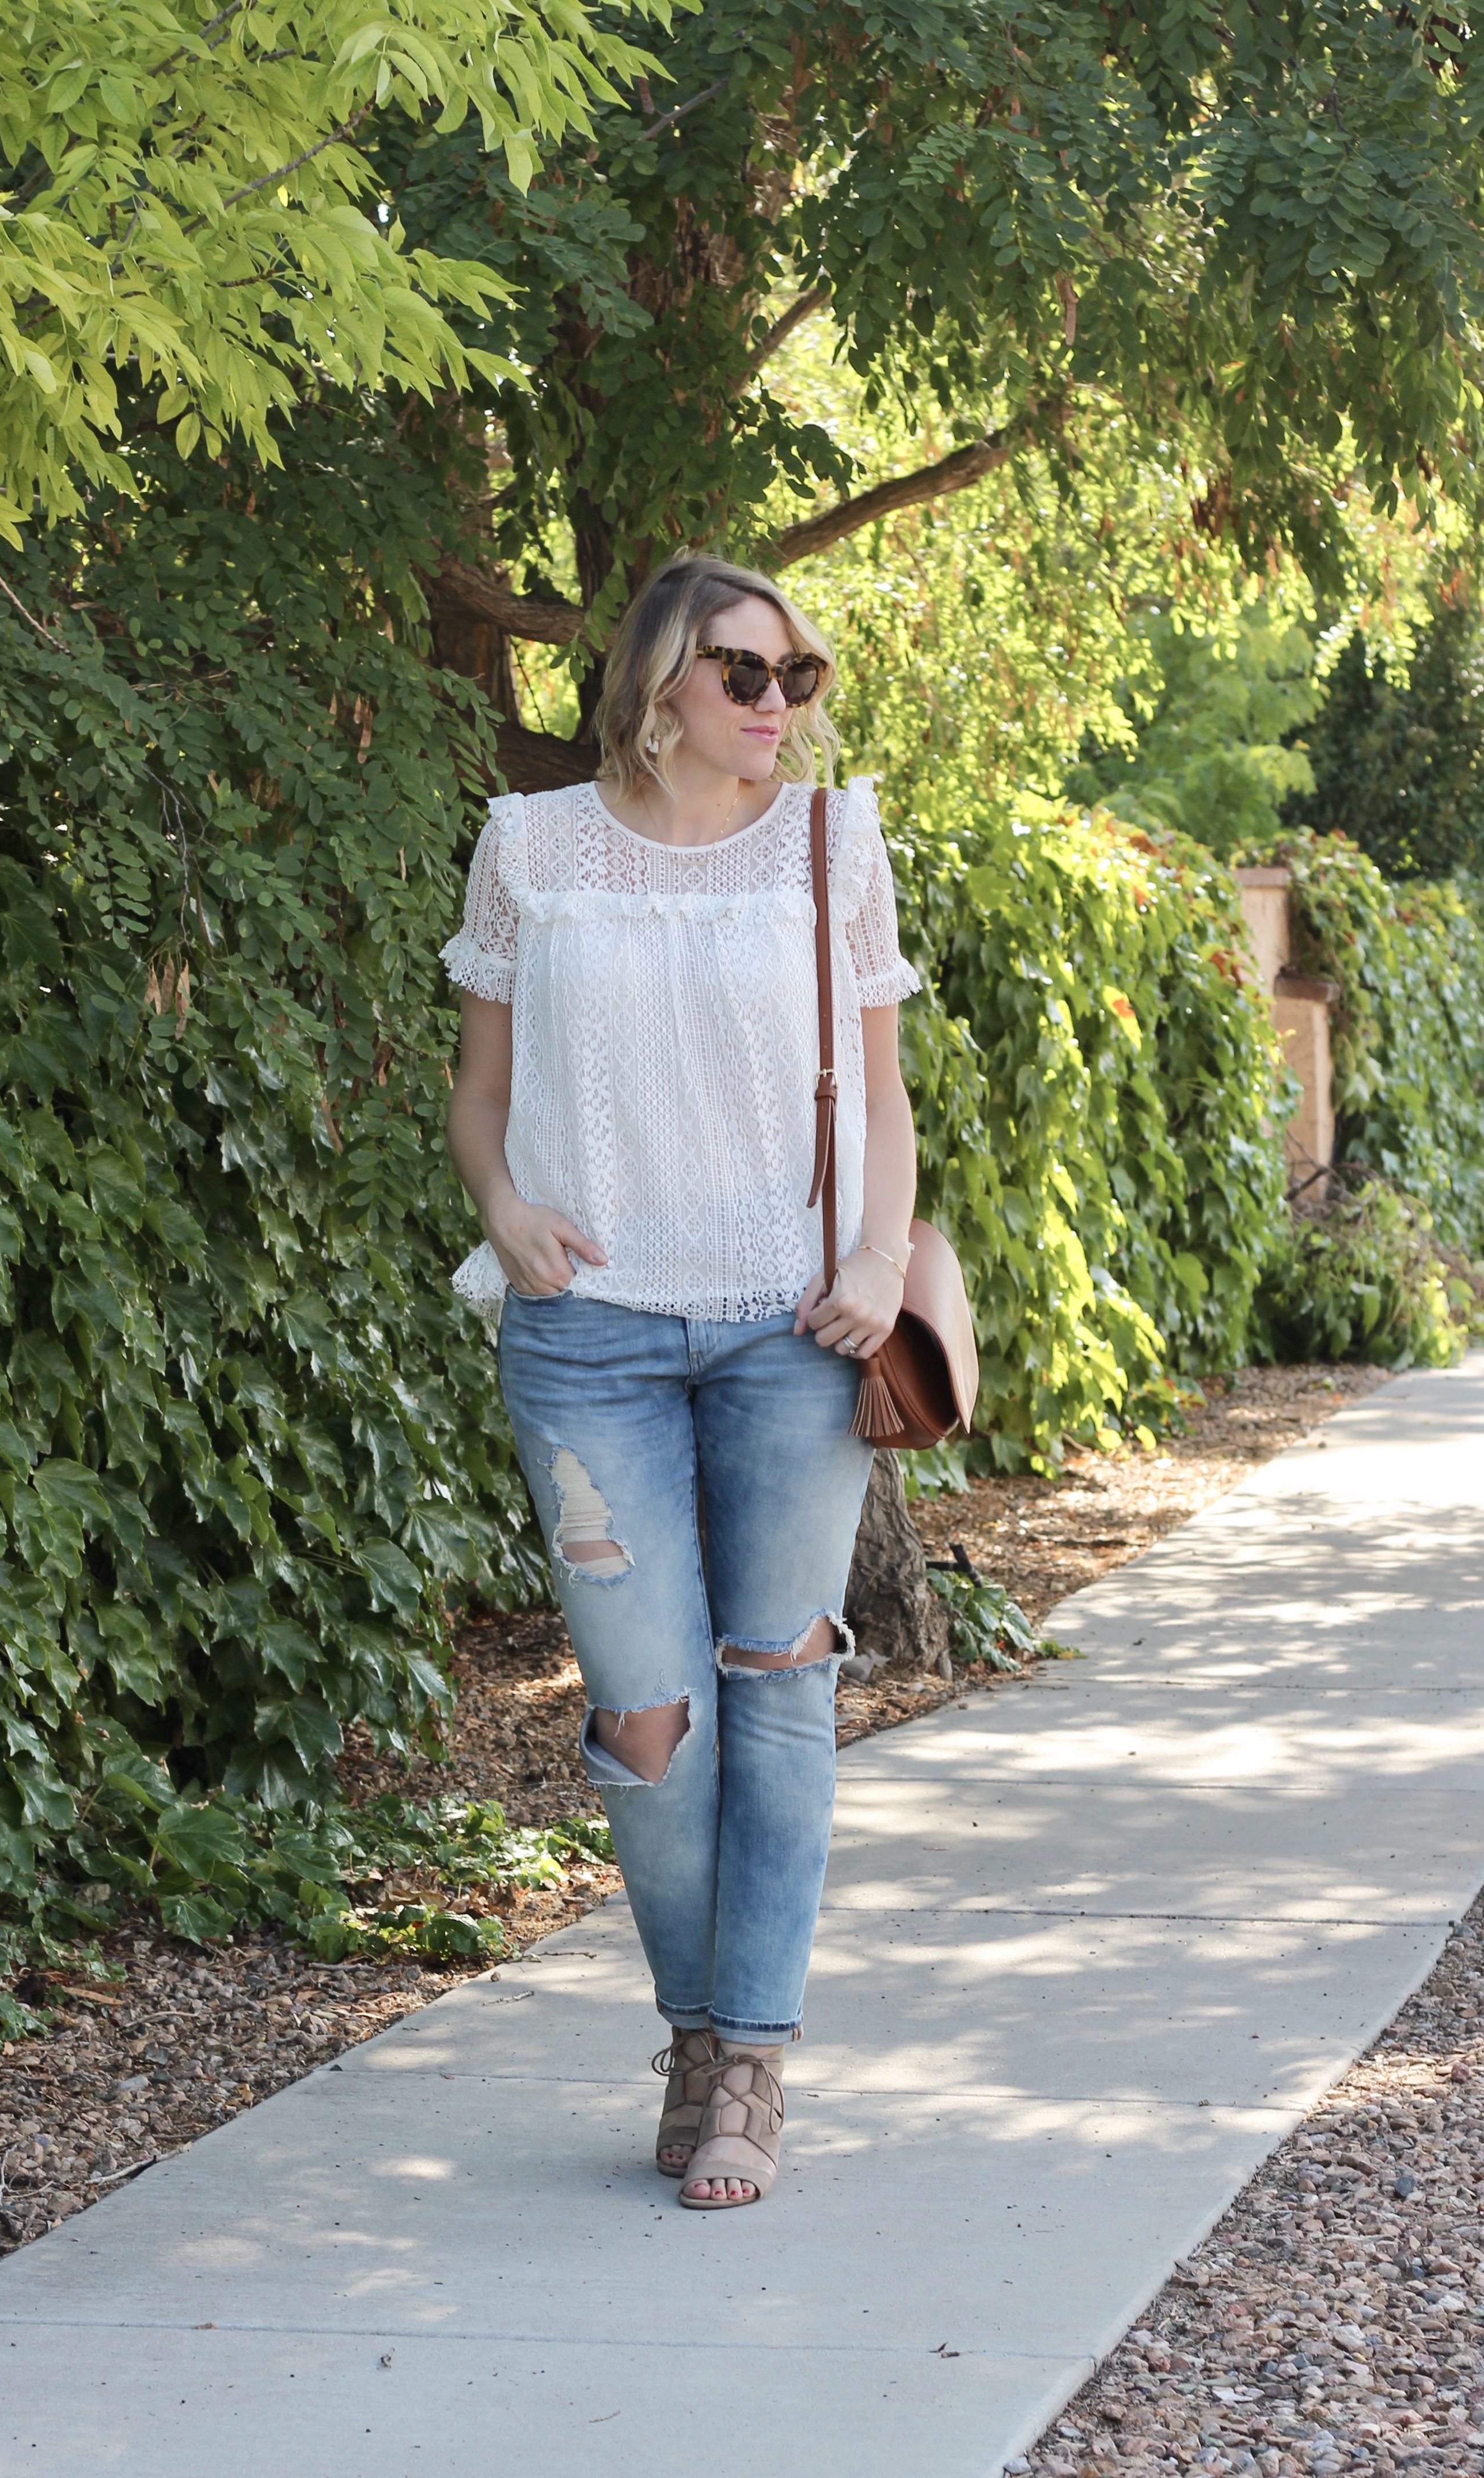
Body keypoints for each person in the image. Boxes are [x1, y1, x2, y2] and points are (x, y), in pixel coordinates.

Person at [442, 554, 920, 2209]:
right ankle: (697, 2028)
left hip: (795, 1329)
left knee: (779, 1684)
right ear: (659, 686)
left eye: (803, 675)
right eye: (749, 674)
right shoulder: (534, 848)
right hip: (587, 1341)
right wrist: (507, 1215)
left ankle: (748, 2067)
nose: (781, 705)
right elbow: (481, 1097)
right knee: (649, 1719)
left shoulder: (829, 843)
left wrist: (874, 1263)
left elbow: (886, 1099)